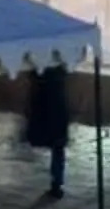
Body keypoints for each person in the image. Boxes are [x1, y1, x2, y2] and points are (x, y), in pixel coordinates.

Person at [20, 59, 73, 199]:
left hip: (45, 105)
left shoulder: (40, 65)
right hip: (55, 106)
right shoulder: (60, 65)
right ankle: (57, 183)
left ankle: (57, 183)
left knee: (57, 145)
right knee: (58, 146)